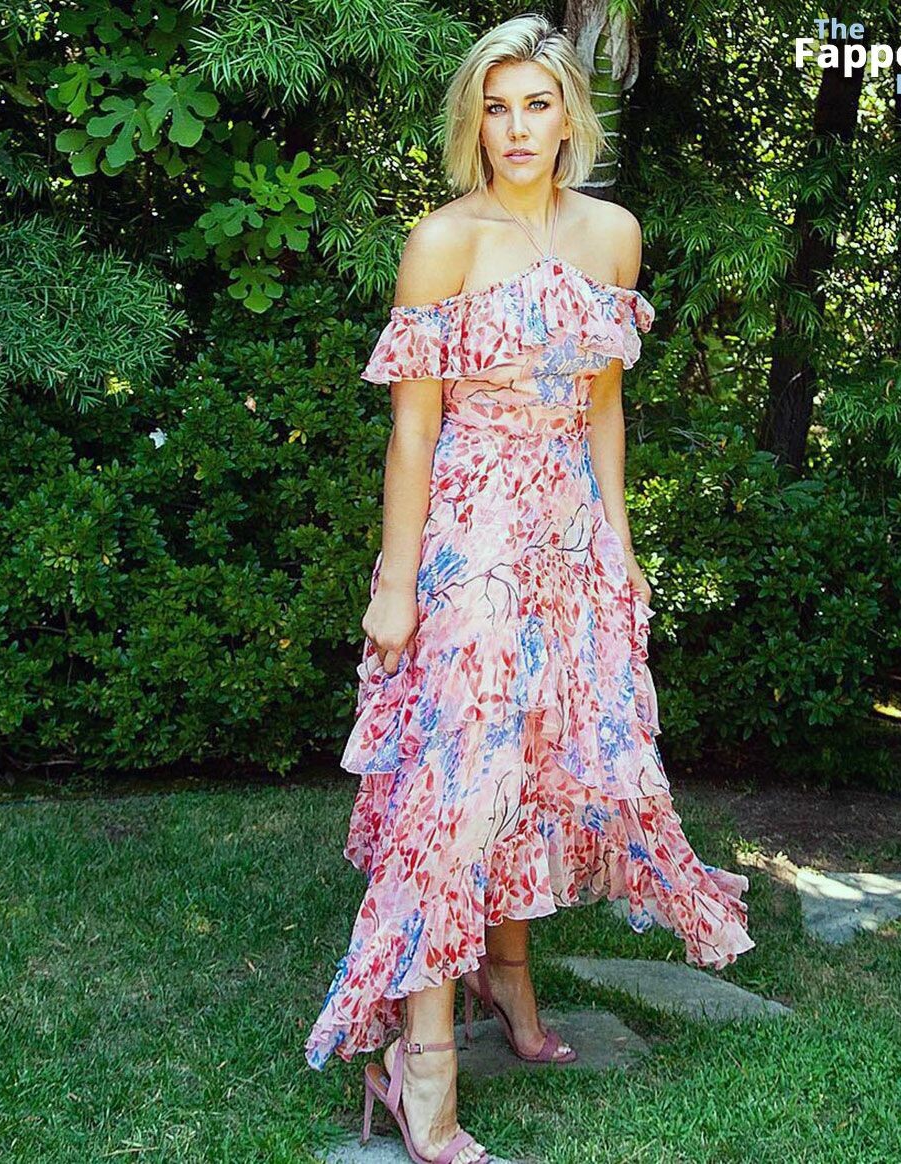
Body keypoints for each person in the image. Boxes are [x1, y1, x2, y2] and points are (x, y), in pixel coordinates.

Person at [305, 13, 755, 1164]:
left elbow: (603, 405)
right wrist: (395, 583)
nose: (515, 128)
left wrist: (619, 542)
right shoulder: (441, 241)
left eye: (536, 105)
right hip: (469, 537)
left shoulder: (613, 235)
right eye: (495, 107)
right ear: (474, 120)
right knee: (459, 785)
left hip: (567, 533)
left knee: (546, 762)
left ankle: (507, 978)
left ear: (569, 116)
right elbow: (413, 433)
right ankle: (421, 1066)